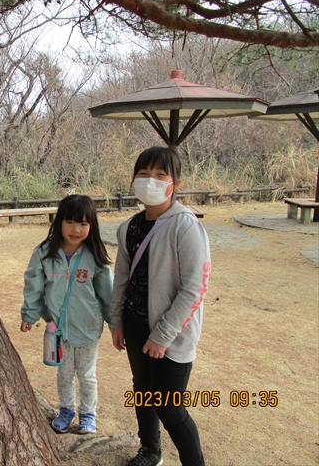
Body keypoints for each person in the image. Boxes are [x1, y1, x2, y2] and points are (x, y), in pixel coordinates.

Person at [111, 146, 210, 466]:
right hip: (136, 326)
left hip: (171, 333)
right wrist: (117, 322)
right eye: (143, 175)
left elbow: (194, 288)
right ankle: (150, 451)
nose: (150, 181)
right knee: (143, 391)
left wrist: (163, 335)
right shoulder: (128, 227)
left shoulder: (185, 225)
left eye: (159, 175)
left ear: (175, 183)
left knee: (169, 406)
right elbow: (121, 279)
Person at [20, 195, 113, 434]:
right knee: (64, 373)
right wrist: (30, 314)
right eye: (70, 222)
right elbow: (34, 286)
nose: (76, 229)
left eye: (83, 223)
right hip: (58, 329)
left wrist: (116, 323)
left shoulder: (95, 256)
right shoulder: (43, 253)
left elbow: (108, 293)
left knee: (86, 374)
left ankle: (88, 414)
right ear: (59, 221)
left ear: (91, 226)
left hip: (88, 328)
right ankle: (66, 410)